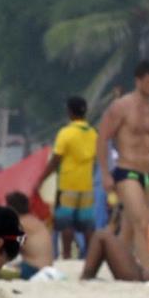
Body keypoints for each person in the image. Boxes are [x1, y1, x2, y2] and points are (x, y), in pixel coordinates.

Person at [97, 62, 149, 265]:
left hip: (147, 174)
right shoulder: (122, 106)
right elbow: (103, 137)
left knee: (127, 229)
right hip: (126, 171)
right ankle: (146, 272)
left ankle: (120, 269)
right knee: (142, 224)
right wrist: (106, 173)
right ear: (138, 81)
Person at [51, 97, 99, 259]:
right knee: (87, 224)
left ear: (70, 111)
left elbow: (56, 159)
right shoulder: (93, 133)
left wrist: (41, 177)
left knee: (66, 223)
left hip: (68, 183)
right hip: (86, 184)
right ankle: (90, 255)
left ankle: (66, 255)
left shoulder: (66, 133)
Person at [2, 194, 54, 279]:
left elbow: (7, 246)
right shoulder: (33, 220)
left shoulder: (20, 223)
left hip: (34, 269)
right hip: (46, 267)